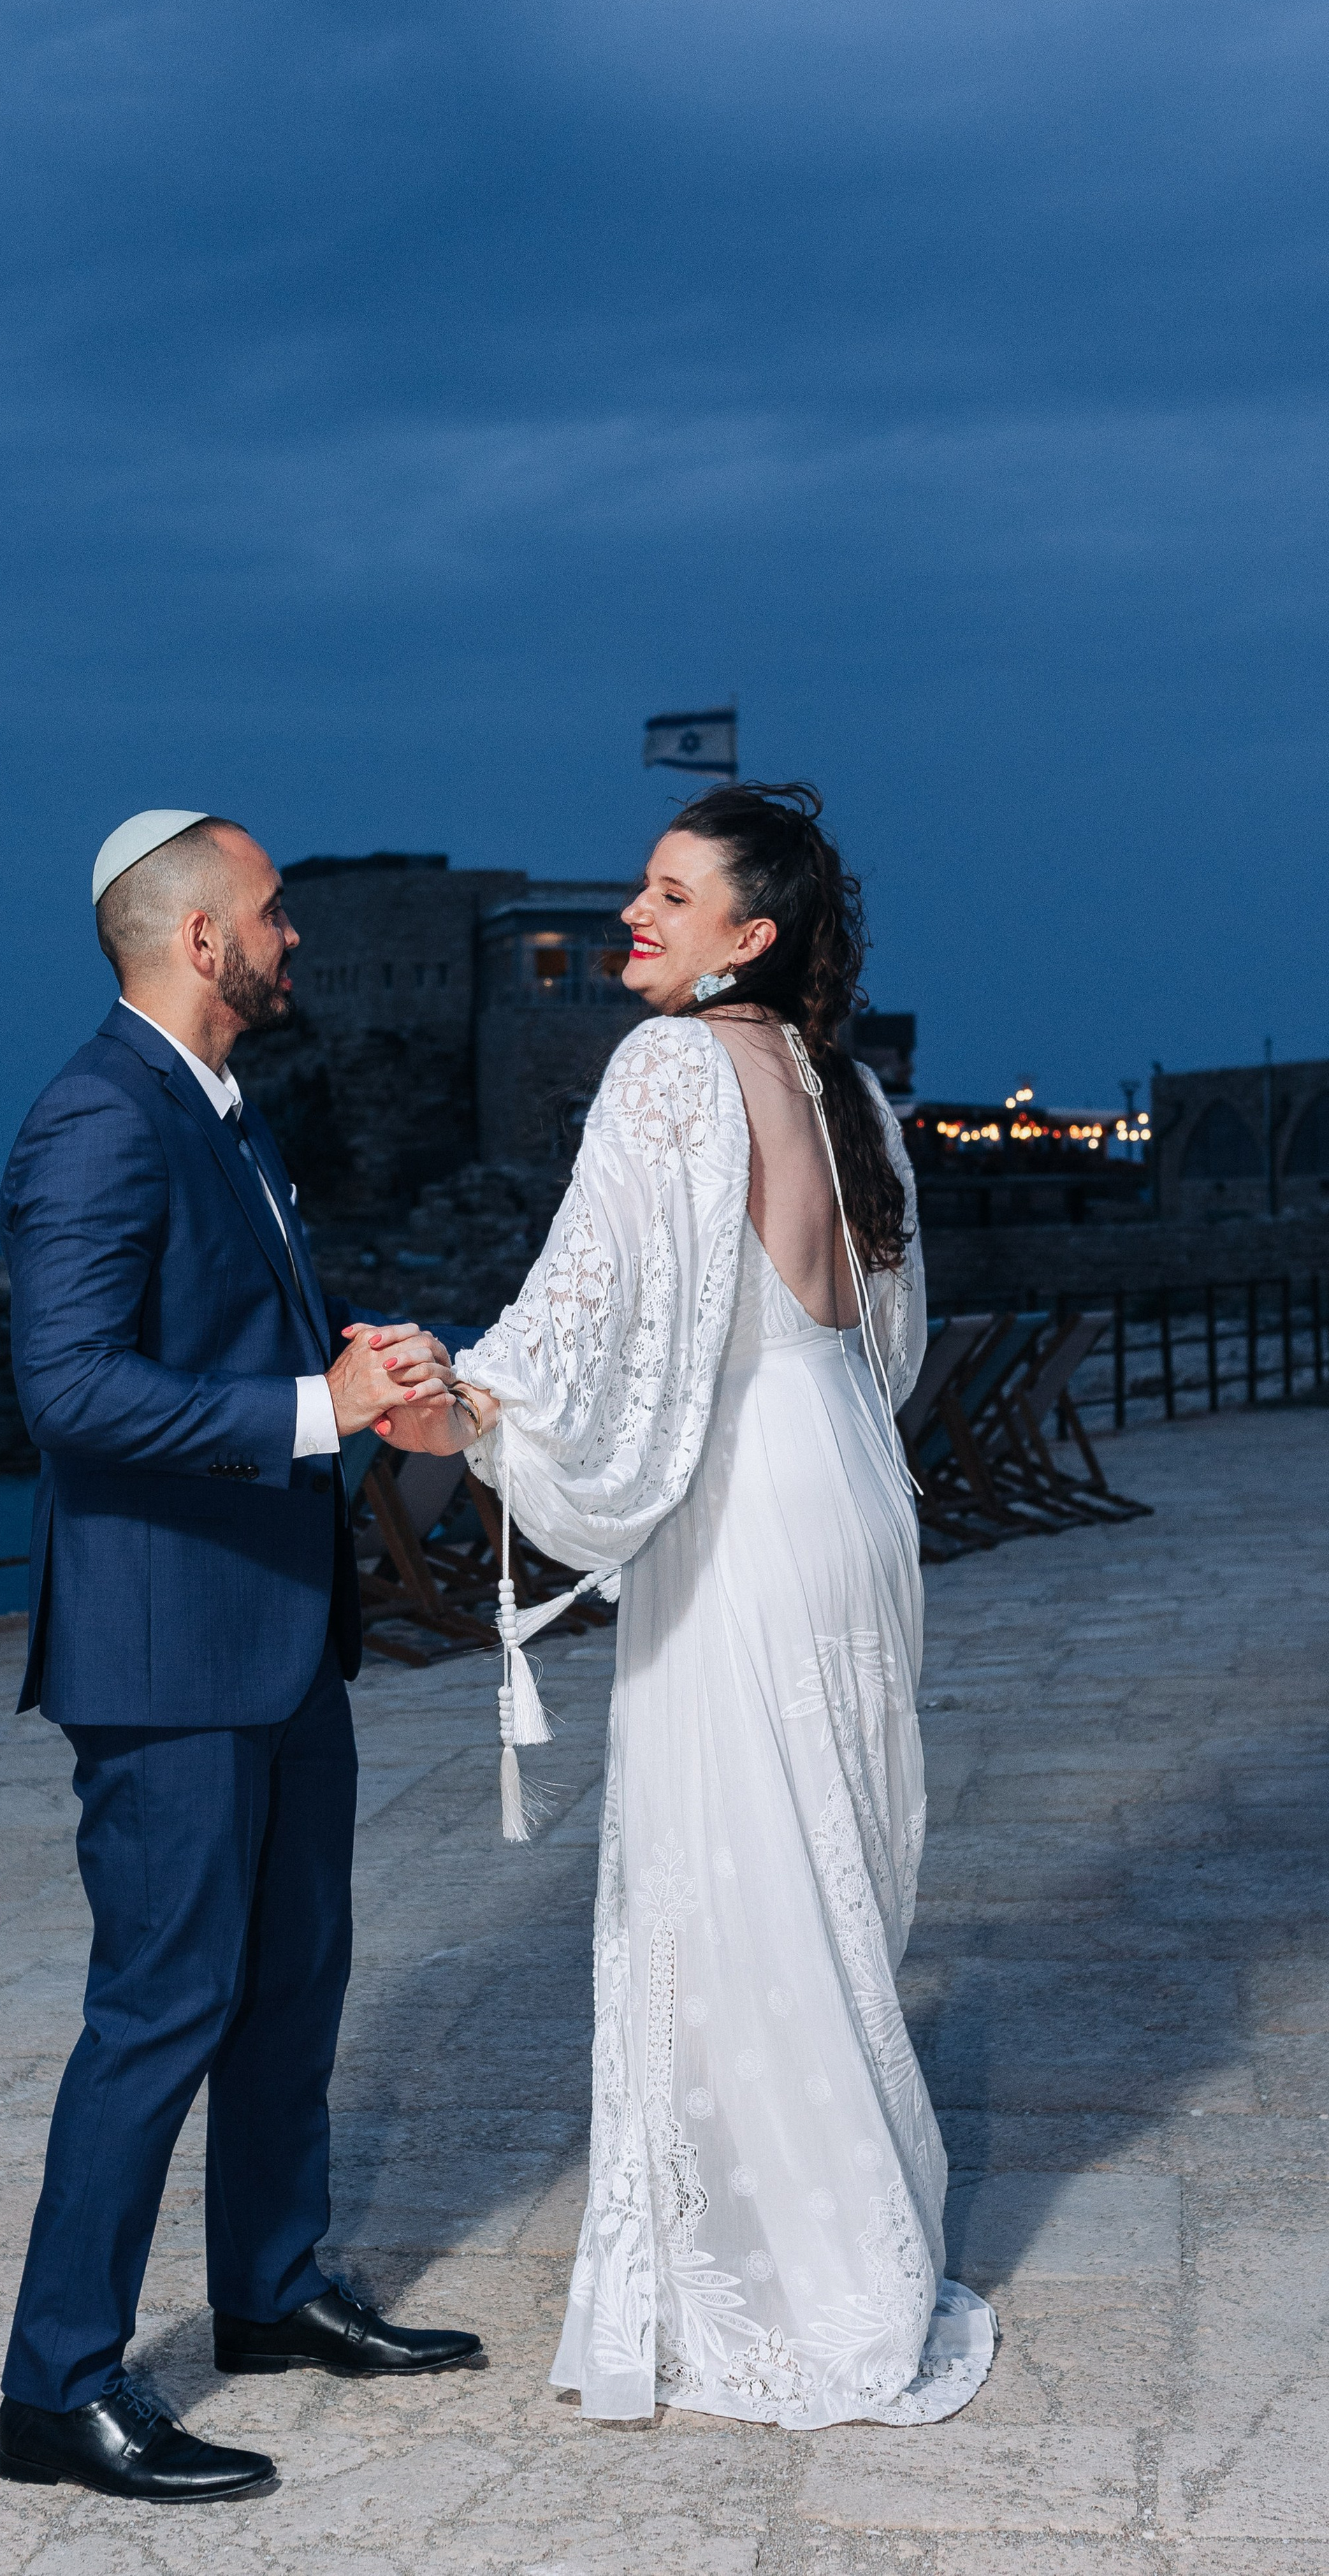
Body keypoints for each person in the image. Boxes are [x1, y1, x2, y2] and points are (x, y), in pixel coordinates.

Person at [392, 784, 997, 2429]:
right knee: (830, 1863)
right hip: (847, 1482)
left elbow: (584, 1309)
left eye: (669, 896)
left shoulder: (667, 1070)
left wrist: (459, 1402)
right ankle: (847, 2240)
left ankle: (787, 2274)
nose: (629, 922)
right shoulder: (845, 1090)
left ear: (752, 933)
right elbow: (878, 1337)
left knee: (728, 1874)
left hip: (741, 1503)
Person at [0, 809, 483, 2506]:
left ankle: (270, 2292)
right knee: (158, 2015)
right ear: (199, 939)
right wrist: (307, 1409)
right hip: (163, 1654)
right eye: (274, 916)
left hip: (277, 1644)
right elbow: (66, 1393)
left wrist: (362, 1384)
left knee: (289, 1993)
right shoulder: (92, 1118)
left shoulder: (228, 1117)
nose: (295, 942)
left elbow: (231, 1356)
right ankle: (56, 2392)